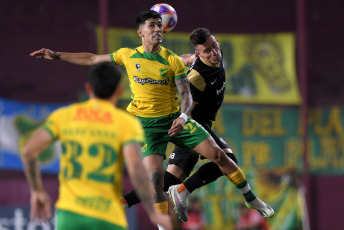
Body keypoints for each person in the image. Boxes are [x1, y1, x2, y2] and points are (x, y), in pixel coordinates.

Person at [30, 10, 274, 228]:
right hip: (147, 127)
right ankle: (160, 222)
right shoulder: (127, 56)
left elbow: (185, 95)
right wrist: (57, 55)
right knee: (156, 179)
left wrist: (183, 115)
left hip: (174, 121)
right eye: (152, 25)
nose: (158, 28)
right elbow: (92, 59)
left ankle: (249, 199)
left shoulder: (172, 60)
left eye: (160, 25)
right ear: (140, 32)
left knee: (220, 157)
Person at [120, 27, 274, 222]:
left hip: (200, 124)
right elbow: (185, 106)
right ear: (199, 53)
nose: (214, 53)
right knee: (226, 160)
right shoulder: (196, 79)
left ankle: (123, 202)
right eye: (207, 51)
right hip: (195, 126)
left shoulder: (207, 56)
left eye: (214, 47)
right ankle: (188, 191)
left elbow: (185, 58)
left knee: (167, 182)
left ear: (217, 41)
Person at [21, 62, 172, 230]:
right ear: (120, 91)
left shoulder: (64, 116)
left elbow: (28, 151)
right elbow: (136, 169)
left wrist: (37, 191)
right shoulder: (126, 123)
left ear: (88, 88)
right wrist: (153, 212)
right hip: (107, 217)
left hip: (70, 215)